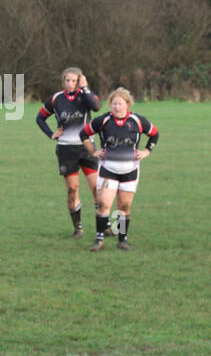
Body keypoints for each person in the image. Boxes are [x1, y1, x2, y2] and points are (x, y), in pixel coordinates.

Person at [80, 87, 158, 251]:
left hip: (130, 171)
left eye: (120, 104)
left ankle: (122, 240)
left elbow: (154, 134)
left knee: (124, 207)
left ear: (127, 104)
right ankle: (99, 240)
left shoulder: (137, 121)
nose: (117, 107)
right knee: (104, 205)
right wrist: (93, 151)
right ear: (110, 105)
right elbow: (84, 134)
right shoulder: (103, 120)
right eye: (114, 104)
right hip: (108, 169)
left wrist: (147, 151)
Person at [36, 68, 102, 237]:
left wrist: (85, 88)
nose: (71, 84)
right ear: (63, 81)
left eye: (74, 80)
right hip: (66, 149)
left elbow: (96, 107)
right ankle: (78, 227)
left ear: (80, 81)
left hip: (87, 147)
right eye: (68, 80)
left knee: (96, 188)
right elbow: (40, 118)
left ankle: (103, 226)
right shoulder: (56, 99)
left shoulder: (85, 96)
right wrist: (51, 134)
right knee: (72, 189)